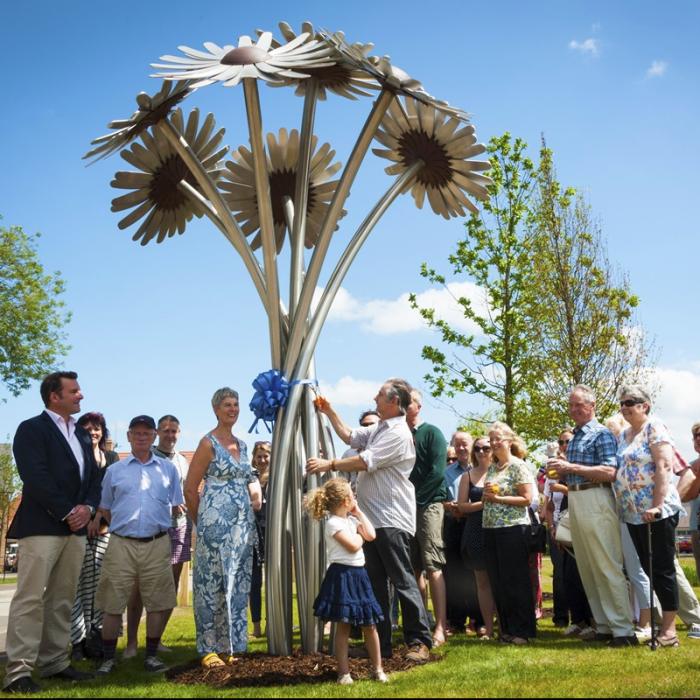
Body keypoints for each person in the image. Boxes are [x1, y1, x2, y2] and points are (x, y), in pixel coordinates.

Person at [306, 378, 433, 662]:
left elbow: (365, 461)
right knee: (375, 584)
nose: (374, 398)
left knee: (402, 580)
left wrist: (331, 464)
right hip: (369, 520)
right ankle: (381, 646)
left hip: (391, 518)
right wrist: (329, 411)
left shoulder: (398, 433)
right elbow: (351, 437)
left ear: (394, 403)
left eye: (379, 395)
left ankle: (419, 641)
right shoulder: (380, 427)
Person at [3, 371, 100, 693]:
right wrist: (68, 512)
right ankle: (18, 671)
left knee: (61, 599)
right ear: (54, 396)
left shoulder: (84, 436)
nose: (81, 395)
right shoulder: (31, 429)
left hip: (75, 531)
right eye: (74, 390)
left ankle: (55, 662)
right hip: (42, 526)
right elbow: (35, 477)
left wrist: (87, 506)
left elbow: (93, 479)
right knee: (30, 599)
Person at [92, 415, 184, 675]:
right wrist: (126, 527)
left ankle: (151, 655)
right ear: (129, 436)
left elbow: (175, 505)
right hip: (121, 544)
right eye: (137, 433)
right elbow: (106, 509)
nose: (142, 437)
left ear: (154, 436)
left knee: (158, 601)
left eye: (147, 433)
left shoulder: (168, 470)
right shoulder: (114, 471)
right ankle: (109, 658)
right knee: (112, 602)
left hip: (157, 543)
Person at [547, 384, 637, 646]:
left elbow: (610, 472)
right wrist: (563, 472)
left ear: (592, 406)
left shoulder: (602, 434)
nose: (574, 410)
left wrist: (569, 466)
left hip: (597, 498)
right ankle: (604, 625)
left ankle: (623, 629)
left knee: (606, 564)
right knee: (587, 567)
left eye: (579, 405)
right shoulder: (575, 436)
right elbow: (579, 470)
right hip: (576, 497)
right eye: (571, 405)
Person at [184, 388, 262, 668]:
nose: (233, 409)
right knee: (211, 587)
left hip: (241, 530)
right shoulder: (208, 443)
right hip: (213, 530)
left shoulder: (242, 445)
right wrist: (201, 523)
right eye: (227, 405)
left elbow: (248, 479)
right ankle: (208, 648)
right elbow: (190, 489)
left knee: (237, 585)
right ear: (216, 410)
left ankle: (233, 645)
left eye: (236, 404)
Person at [613, 384, 683, 647]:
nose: (625, 407)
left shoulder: (655, 427)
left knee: (662, 569)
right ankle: (662, 626)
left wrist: (657, 505)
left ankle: (669, 631)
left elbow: (664, 466)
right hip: (632, 513)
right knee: (647, 568)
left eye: (630, 402)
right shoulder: (625, 434)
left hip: (656, 512)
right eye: (622, 402)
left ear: (645, 405)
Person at [305, 478, 387, 685]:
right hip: (342, 576)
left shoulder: (351, 520)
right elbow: (353, 546)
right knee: (344, 626)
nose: (355, 498)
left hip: (359, 576)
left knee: (370, 624)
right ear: (345, 500)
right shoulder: (333, 523)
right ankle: (344, 672)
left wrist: (358, 513)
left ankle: (377, 669)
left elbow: (371, 535)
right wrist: (360, 537)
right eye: (352, 496)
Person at [124, 414, 190, 658]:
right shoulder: (147, 458)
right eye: (166, 430)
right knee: (139, 587)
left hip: (180, 527)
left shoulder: (183, 462)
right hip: (152, 529)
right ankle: (131, 643)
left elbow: (188, 492)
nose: (170, 435)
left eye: (174, 431)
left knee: (169, 586)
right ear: (157, 433)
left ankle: (156, 639)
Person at [70, 411, 120, 661]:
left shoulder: (111, 458)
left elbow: (113, 493)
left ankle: (98, 636)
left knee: (102, 585)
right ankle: (77, 641)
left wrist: (100, 519)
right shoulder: (75, 455)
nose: (93, 431)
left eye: (98, 427)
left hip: (103, 530)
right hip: (77, 528)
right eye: (88, 427)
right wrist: (87, 519)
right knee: (79, 587)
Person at [481, 421, 536, 644]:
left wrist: (498, 498)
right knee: (499, 581)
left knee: (516, 581)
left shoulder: (518, 466)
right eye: (491, 439)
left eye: (498, 439)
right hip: (491, 528)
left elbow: (527, 499)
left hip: (513, 529)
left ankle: (523, 631)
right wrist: (487, 496)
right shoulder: (493, 467)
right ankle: (507, 630)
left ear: (509, 441)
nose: (494, 443)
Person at [406, 389, 449, 647]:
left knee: (433, 565)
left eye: (407, 401)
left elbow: (436, 473)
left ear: (418, 406)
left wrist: (415, 500)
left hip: (428, 504)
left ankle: (441, 627)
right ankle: (420, 624)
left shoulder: (432, 433)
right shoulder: (398, 435)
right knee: (413, 569)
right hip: (404, 510)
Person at [455, 435, 495, 638]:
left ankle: (505, 625)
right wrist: (483, 504)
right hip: (476, 531)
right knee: (482, 582)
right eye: (477, 448)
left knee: (501, 580)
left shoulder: (502, 472)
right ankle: (488, 627)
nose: (481, 452)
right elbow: (461, 506)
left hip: (499, 530)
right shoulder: (467, 476)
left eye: (486, 448)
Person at [442, 430, 481, 634]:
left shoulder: (481, 469)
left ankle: (479, 620)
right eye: (457, 445)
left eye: (465, 444)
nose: (461, 448)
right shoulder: (446, 472)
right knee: (455, 574)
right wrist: (450, 506)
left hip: (475, 524)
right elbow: (440, 499)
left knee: (476, 573)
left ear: (472, 444)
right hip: (454, 525)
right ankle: (456, 621)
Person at [250, 440, 271, 638]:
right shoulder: (250, 478)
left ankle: (271, 623)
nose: (263, 460)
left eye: (266, 456)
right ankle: (256, 627)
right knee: (254, 583)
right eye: (259, 456)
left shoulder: (278, 479)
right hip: (253, 534)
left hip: (273, 533)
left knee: (274, 581)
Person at [340, 410, 380, 494]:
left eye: (372, 425)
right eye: (365, 425)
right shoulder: (349, 454)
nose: (368, 428)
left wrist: (331, 464)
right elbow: (342, 483)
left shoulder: (386, 450)